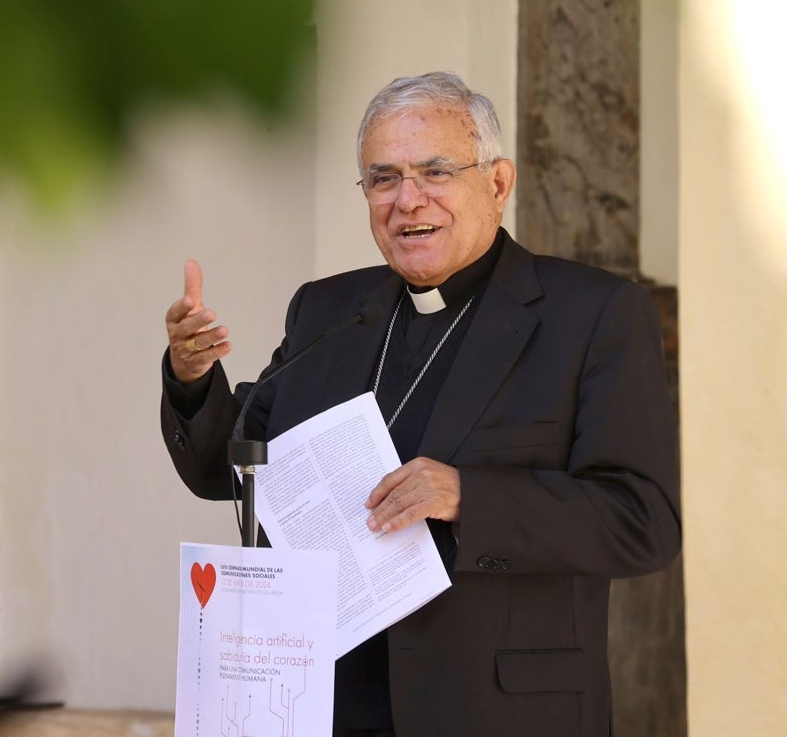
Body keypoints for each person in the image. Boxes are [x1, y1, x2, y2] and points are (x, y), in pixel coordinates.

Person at [159, 71, 680, 737]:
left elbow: (643, 523)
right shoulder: (329, 309)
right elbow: (232, 469)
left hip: (501, 714)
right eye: (382, 178)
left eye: (435, 172)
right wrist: (192, 376)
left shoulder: (592, 315)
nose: (407, 200)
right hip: (332, 707)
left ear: (497, 183)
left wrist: (470, 496)